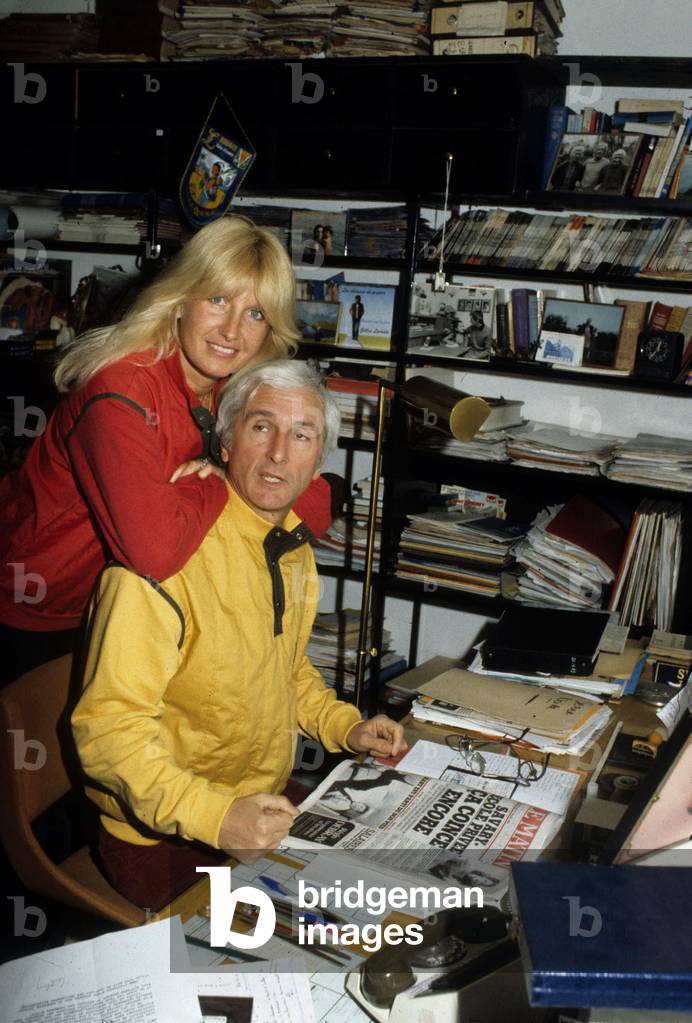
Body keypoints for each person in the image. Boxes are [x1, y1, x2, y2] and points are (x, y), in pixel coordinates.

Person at [71, 361, 408, 910]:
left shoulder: (291, 547)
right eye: (261, 427)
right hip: (164, 834)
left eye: (302, 436)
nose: (278, 453)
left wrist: (344, 726)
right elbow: (107, 733)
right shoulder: (162, 559)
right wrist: (218, 817)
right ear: (226, 442)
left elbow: (286, 670)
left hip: (257, 801)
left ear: (318, 462)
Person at [0, 216, 334, 685]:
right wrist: (218, 483)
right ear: (179, 300)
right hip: (31, 610)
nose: (232, 331)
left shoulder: (232, 389)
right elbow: (154, 553)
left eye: (256, 313)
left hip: (119, 608)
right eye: (218, 299)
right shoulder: (120, 390)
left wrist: (222, 481)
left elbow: (313, 503)